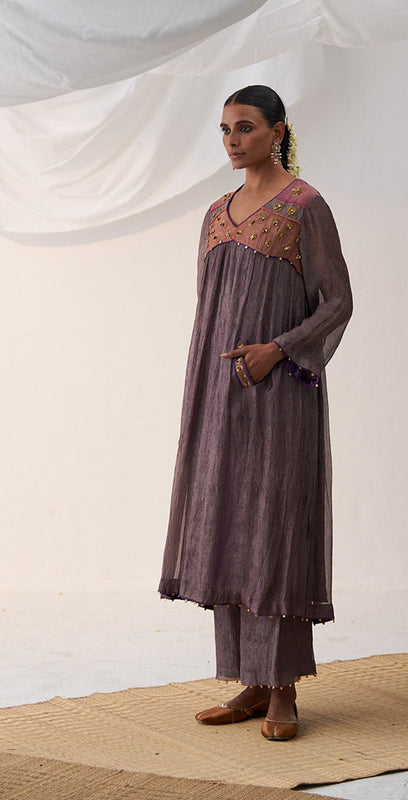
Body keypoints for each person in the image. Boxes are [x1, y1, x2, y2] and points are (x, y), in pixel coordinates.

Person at [159, 84, 352, 741]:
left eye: (244, 127)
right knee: (229, 527)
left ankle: (284, 688)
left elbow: (337, 300)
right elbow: (207, 307)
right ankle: (250, 680)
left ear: (277, 132)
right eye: (224, 129)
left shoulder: (305, 206)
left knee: (275, 529)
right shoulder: (216, 213)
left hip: (280, 394)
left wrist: (279, 350)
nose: (232, 140)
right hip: (219, 395)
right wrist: (206, 386)